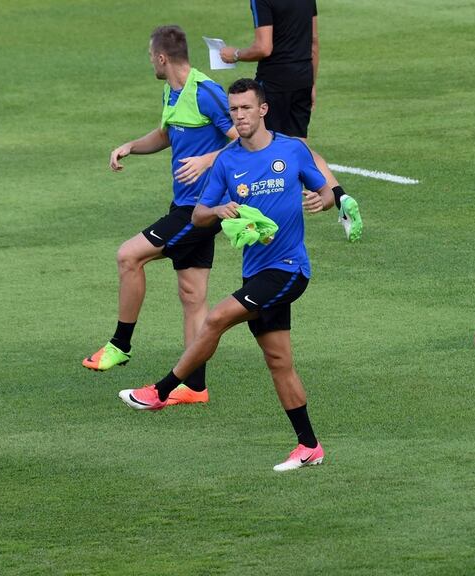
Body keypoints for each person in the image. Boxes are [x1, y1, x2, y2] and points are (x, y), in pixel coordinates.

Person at [119, 78, 335, 472]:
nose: (239, 115)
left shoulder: (291, 149)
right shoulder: (226, 161)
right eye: (234, 110)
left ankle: (160, 391)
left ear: (262, 110)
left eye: (246, 108)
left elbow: (325, 190)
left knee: (216, 317)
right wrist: (219, 211)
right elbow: (200, 213)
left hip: (288, 269)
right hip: (256, 271)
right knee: (278, 360)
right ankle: (309, 446)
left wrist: (325, 200)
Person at [81, 26, 239, 408]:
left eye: (152, 56)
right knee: (192, 295)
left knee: (129, 255)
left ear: (162, 58)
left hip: (200, 210)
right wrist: (131, 146)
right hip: (184, 204)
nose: (150, 61)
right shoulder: (172, 90)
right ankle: (195, 386)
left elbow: (243, 140)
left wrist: (205, 160)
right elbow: (168, 134)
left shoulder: (207, 93)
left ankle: (120, 344)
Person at [219, 0, 363, 242]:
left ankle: (256, 218)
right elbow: (314, 42)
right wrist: (312, 83)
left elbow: (264, 47)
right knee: (300, 146)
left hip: (274, 82)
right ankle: (340, 196)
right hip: (303, 77)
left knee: (260, 143)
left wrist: (233, 54)